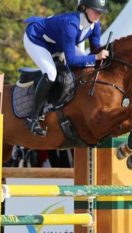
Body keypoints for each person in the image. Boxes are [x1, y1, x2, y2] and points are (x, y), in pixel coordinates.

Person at [23, 0, 110, 136]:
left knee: (87, 67)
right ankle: (33, 118)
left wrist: (108, 54)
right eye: (95, 11)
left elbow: (95, 49)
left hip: (57, 43)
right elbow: (72, 60)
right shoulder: (71, 24)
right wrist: (95, 58)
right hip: (36, 39)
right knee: (51, 73)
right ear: (84, 8)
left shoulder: (95, 25)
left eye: (101, 12)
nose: (98, 15)